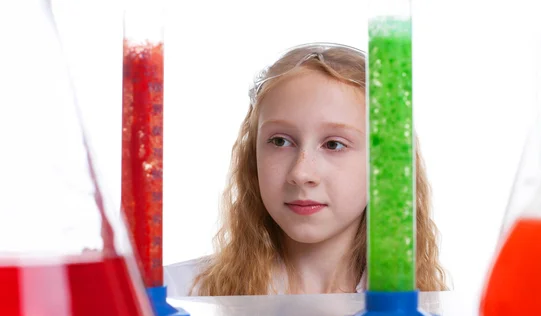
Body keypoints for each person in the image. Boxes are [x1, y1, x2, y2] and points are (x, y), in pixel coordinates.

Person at [165, 43, 447, 296]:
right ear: (252, 157)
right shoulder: (178, 294)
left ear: (385, 165)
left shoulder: (426, 307)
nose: (301, 174)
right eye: (279, 141)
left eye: (334, 145)